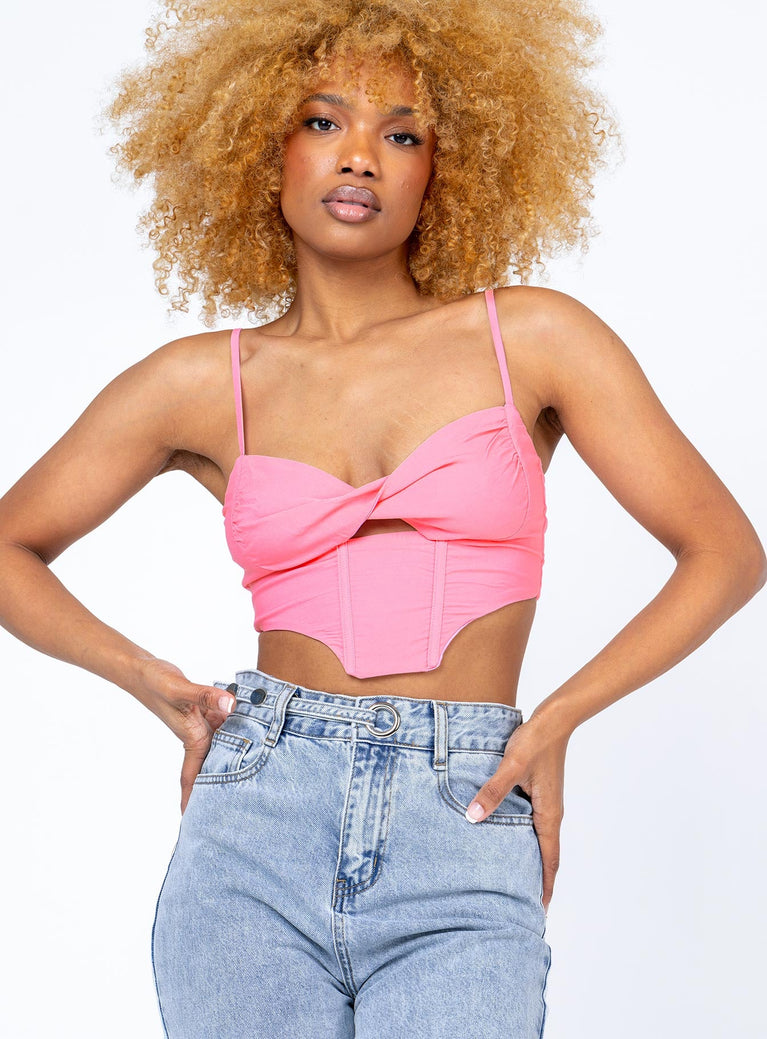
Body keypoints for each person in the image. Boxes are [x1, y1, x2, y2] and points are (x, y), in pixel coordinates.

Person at [0, 0, 764, 1036]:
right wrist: (150, 681)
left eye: (401, 134)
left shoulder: (531, 338)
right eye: (322, 121)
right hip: (255, 822)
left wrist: (555, 719)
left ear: (445, 169)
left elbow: (723, 552)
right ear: (257, 148)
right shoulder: (204, 381)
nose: (358, 155)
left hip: (465, 809)